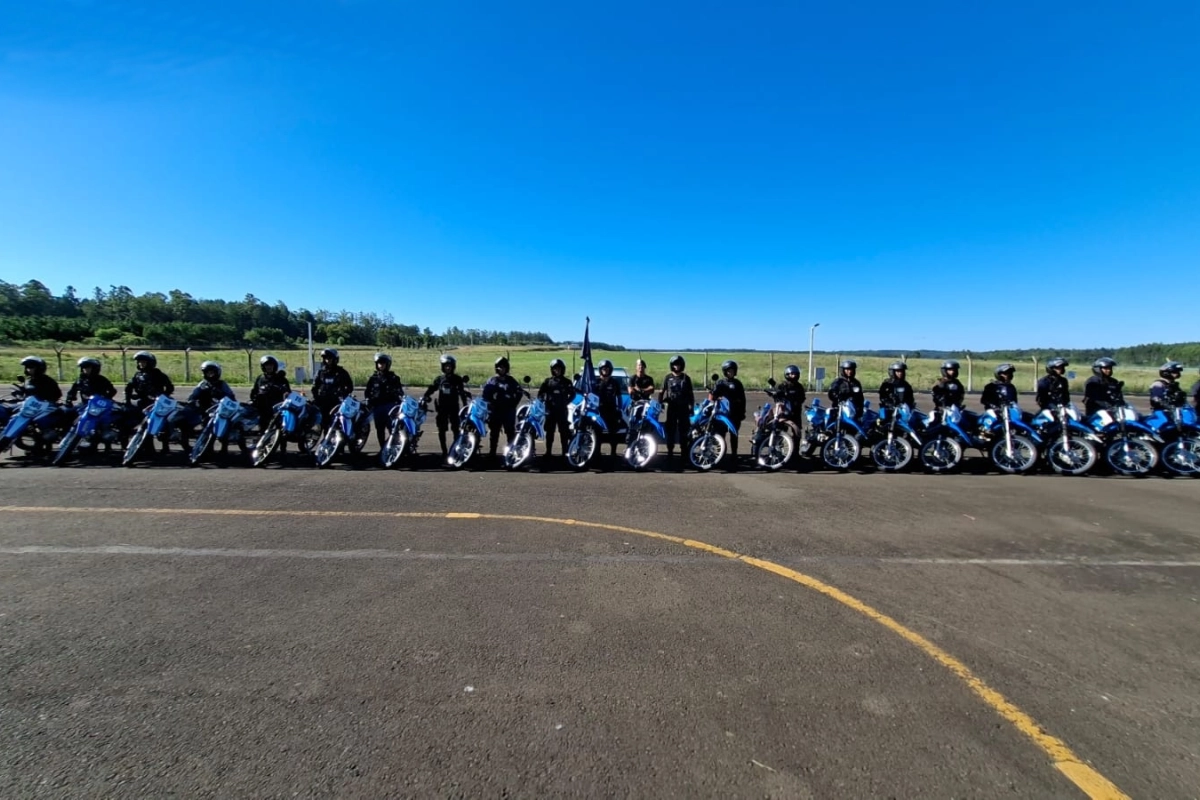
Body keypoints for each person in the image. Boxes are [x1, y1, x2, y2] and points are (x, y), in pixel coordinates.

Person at [172, 361, 236, 450]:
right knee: (186, 422)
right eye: (208, 372)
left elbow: (231, 396)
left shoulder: (222, 384)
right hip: (204, 410)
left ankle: (224, 448)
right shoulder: (203, 384)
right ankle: (189, 445)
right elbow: (194, 395)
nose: (210, 375)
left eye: (212, 372)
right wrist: (192, 400)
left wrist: (224, 398)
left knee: (225, 426)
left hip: (219, 410)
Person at [423, 354, 471, 456]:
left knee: (456, 430)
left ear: (453, 366)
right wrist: (425, 396)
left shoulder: (457, 379)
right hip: (442, 408)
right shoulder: (439, 379)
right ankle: (444, 451)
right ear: (442, 367)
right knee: (441, 430)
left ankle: (455, 450)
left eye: (449, 366)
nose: (448, 368)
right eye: (445, 366)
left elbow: (462, 393)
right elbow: (432, 388)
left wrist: (465, 406)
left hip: (454, 407)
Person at [709, 360, 746, 469]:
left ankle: (734, 454)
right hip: (722, 414)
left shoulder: (738, 383)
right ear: (725, 372)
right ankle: (721, 454)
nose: (731, 373)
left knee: (734, 435)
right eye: (729, 371)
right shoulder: (720, 383)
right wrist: (714, 394)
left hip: (735, 414)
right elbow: (713, 395)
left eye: (733, 371)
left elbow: (743, 399)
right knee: (720, 435)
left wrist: (742, 412)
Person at [482, 356, 522, 459]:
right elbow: (485, 394)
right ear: (496, 368)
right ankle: (492, 453)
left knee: (510, 433)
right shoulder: (492, 380)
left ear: (507, 368)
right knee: (494, 433)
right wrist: (490, 404)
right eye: (499, 367)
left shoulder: (511, 380)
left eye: (503, 367)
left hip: (508, 411)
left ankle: (510, 453)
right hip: (495, 411)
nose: (501, 369)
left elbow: (519, 392)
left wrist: (514, 403)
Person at [364, 352, 405, 449]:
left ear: (387, 364)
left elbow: (400, 392)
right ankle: (382, 448)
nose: (381, 365)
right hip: (377, 407)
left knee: (392, 428)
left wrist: (400, 402)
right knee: (379, 429)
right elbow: (367, 391)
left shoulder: (394, 378)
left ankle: (395, 448)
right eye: (379, 363)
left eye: (383, 363)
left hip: (390, 407)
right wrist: (368, 400)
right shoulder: (373, 378)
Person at [659, 355, 694, 462]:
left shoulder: (686, 378)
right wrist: (660, 404)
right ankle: (670, 452)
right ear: (672, 365)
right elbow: (661, 392)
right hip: (671, 409)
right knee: (671, 431)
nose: (676, 366)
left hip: (683, 408)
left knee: (684, 431)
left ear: (682, 365)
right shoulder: (668, 377)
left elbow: (690, 394)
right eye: (674, 364)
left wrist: (691, 406)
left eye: (678, 364)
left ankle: (684, 452)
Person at [537, 358, 573, 457]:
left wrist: (567, 402)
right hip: (550, 411)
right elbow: (540, 394)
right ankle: (548, 452)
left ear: (562, 369)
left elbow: (573, 394)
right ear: (552, 370)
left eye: (559, 369)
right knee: (550, 432)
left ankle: (564, 452)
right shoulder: (547, 381)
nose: (557, 371)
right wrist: (543, 402)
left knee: (564, 432)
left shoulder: (567, 382)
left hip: (562, 411)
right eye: (555, 369)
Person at [311, 348, 354, 427]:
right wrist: (317, 398)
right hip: (322, 402)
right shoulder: (320, 372)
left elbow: (350, 387)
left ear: (335, 359)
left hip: (336, 403)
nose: (328, 360)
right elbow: (314, 387)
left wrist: (342, 395)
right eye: (326, 358)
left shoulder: (341, 372)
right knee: (320, 423)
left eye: (330, 358)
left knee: (336, 425)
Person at [250, 354, 292, 430]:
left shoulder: (281, 378)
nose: (269, 367)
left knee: (281, 430)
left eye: (270, 365)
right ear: (263, 366)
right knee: (262, 428)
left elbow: (288, 393)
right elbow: (254, 391)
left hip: (277, 409)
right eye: (266, 365)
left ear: (274, 366)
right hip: (263, 409)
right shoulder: (260, 378)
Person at [595, 359, 623, 457]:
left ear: (610, 370)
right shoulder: (596, 382)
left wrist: (620, 409)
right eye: (603, 369)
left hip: (611, 411)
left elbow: (619, 397)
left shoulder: (614, 382)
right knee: (597, 433)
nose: (605, 370)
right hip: (599, 411)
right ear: (600, 370)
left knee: (613, 433)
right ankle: (597, 452)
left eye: (607, 369)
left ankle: (613, 452)